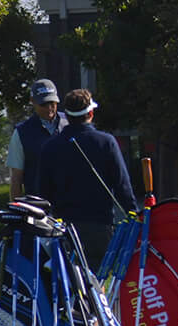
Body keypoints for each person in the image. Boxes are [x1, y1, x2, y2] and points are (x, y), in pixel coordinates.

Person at [28, 88, 137, 265]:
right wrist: (133, 215)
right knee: (96, 282)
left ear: (67, 116)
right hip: (100, 225)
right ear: (91, 113)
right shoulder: (106, 142)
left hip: (64, 227)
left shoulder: (50, 147)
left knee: (69, 280)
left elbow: (43, 193)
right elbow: (122, 185)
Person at [8, 79, 65, 200]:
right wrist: (16, 210)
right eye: (43, 104)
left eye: (52, 103)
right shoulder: (22, 132)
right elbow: (16, 178)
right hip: (37, 206)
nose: (49, 108)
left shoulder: (70, 124)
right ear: (32, 102)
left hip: (70, 205)